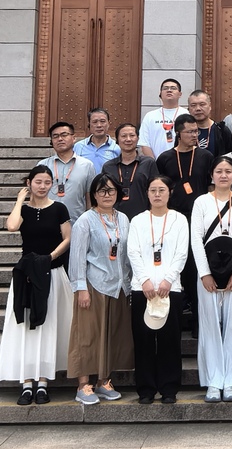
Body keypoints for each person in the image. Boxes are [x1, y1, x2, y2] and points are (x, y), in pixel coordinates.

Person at [0, 166, 73, 405]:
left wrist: (49, 258)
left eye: (47, 182)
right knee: (26, 327)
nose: (43, 186)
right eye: (38, 181)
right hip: (27, 275)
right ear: (29, 183)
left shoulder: (59, 208)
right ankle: (27, 384)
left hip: (52, 273)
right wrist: (20, 200)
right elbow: (12, 226)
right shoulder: (24, 210)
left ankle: (43, 383)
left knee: (48, 326)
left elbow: (67, 238)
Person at [189, 156, 232, 403]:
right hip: (208, 273)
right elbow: (196, 239)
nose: (223, 175)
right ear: (212, 175)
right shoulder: (202, 202)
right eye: (219, 171)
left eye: (228, 171)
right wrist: (204, 273)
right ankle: (214, 382)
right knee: (210, 327)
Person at [67, 173, 134, 404]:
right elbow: (77, 256)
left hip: (119, 284)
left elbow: (127, 254)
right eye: (102, 191)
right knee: (87, 335)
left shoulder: (123, 219)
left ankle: (104, 381)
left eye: (111, 190)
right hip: (93, 284)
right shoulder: (85, 220)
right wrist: (80, 288)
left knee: (111, 334)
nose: (107, 195)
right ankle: (83, 385)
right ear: (94, 195)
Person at [126, 176, 189, 404]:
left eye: (161, 190)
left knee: (169, 341)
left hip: (170, 289)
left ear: (169, 192)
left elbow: (182, 252)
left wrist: (168, 280)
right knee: (143, 340)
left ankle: (169, 388)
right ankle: (146, 389)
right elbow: (132, 252)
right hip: (142, 289)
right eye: (153, 190)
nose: (157, 194)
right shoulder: (138, 220)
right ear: (147, 193)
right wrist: (144, 280)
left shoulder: (179, 219)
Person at [101, 122, 158, 220]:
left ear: (138, 139)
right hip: (114, 219)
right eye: (124, 136)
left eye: (132, 135)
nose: (128, 139)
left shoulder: (148, 163)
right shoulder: (108, 166)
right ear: (117, 140)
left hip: (143, 219)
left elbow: (156, 190)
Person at [43, 121, 96, 224]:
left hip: (77, 223)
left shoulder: (87, 165)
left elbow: (89, 196)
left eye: (64, 135)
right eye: (55, 136)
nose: (60, 139)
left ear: (74, 138)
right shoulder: (43, 165)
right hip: (48, 223)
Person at [139, 78, 188, 159]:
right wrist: (154, 163)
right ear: (160, 94)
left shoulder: (186, 114)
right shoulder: (150, 116)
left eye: (173, 88)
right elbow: (145, 143)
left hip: (181, 161)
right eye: (165, 88)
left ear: (180, 94)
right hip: (156, 162)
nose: (169, 90)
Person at [188, 89, 232, 156]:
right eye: (193, 105)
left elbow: (229, 156)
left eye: (202, 104)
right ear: (188, 109)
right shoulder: (184, 132)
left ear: (210, 106)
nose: (198, 108)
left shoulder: (222, 130)